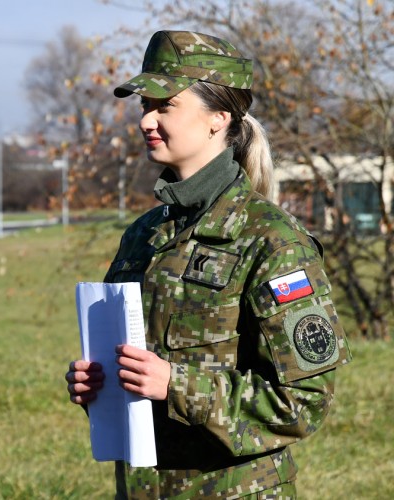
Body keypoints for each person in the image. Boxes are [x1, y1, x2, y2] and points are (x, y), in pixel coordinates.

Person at [65, 30, 351, 499]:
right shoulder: (144, 235)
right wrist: (99, 385)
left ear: (220, 117)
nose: (147, 120)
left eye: (165, 105)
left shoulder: (272, 240)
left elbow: (302, 404)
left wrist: (175, 385)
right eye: (145, 106)